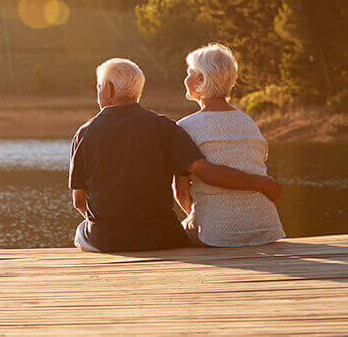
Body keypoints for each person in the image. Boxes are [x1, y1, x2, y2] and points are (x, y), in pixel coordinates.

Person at [70, 57, 282, 253]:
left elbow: (79, 202)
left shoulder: (84, 134)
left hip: (108, 240)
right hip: (162, 237)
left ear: (107, 90)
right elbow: (204, 172)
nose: (98, 93)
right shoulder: (166, 128)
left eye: (98, 87)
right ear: (138, 92)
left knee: (81, 232)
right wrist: (261, 183)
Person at [174, 43, 285, 247]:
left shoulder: (184, 127)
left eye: (189, 73)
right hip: (265, 229)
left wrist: (209, 220)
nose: (185, 79)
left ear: (201, 79)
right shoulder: (249, 123)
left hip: (217, 235)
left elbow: (181, 194)